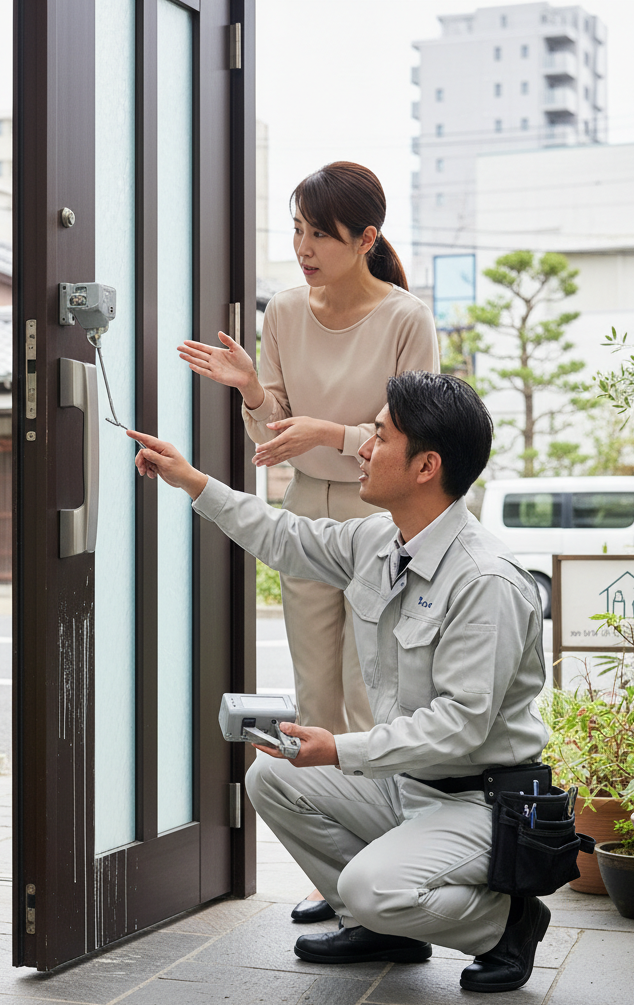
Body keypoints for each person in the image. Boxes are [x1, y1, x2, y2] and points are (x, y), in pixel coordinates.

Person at [127, 371, 551, 993]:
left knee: (370, 884)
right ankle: (384, 929)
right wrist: (191, 480)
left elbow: (461, 726)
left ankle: (506, 922)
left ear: (426, 466)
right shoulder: (383, 539)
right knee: (272, 776)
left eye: (379, 437)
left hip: (478, 801)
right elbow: (284, 537)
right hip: (408, 785)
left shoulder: (485, 582)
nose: (362, 448)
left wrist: (340, 749)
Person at [179, 162, 439, 924]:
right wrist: (255, 394)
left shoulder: (404, 319)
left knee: (373, 694)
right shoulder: (285, 313)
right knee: (316, 692)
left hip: (383, 518)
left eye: (320, 234)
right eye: (296, 229)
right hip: (306, 512)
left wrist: (335, 432)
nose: (303, 247)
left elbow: (418, 439)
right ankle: (340, 877)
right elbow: (274, 440)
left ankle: (386, 870)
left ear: (366, 239)